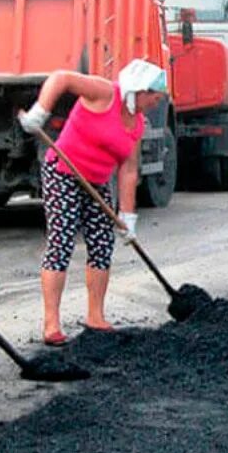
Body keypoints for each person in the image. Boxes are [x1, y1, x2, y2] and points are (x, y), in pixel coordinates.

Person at [18, 59, 167, 346]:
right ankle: (51, 324)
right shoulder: (105, 93)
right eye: (155, 98)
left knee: (102, 244)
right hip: (63, 171)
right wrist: (41, 111)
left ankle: (96, 317)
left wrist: (128, 217)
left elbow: (128, 169)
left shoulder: (136, 123)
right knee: (61, 242)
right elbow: (61, 76)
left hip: (96, 182)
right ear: (142, 90)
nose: (155, 104)